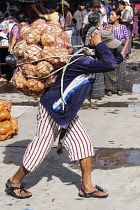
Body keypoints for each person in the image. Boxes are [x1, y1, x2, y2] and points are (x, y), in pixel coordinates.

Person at [5, 30, 123, 199]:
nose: (110, 51)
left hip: (66, 111)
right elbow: (111, 64)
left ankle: (86, 187)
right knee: (41, 146)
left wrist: (102, 45)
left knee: (84, 145)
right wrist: (98, 44)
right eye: (107, 48)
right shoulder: (82, 60)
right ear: (98, 48)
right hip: (53, 108)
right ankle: (14, 182)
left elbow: (117, 60)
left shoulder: (92, 58)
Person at [104, 8, 130, 96]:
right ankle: (109, 89)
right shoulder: (107, 26)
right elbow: (104, 37)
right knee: (109, 69)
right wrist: (109, 29)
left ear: (118, 16)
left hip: (120, 48)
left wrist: (123, 51)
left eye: (112, 15)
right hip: (109, 49)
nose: (110, 16)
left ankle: (119, 88)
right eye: (110, 15)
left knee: (120, 68)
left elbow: (127, 39)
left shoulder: (123, 27)